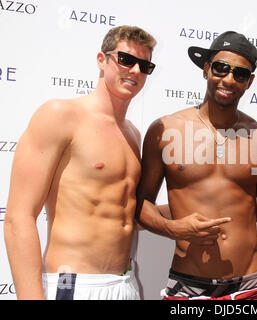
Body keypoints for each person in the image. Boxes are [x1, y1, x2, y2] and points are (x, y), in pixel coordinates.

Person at [4, 25, 157, 300]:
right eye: (126, 59)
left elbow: (124, 213)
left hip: (126, 285)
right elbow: (18, 217)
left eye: (145, 65)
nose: (135, 70)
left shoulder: (133, 134)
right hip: (74, 285)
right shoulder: (60, 115)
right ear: (102, 59)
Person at [135, 31, 257, 300]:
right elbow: (141, 203)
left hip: (249, 286)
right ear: (206, 70)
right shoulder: (165, 129)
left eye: (240, 74)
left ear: (249, 82)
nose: (228, 79)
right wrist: (172, 229)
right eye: (221, 68)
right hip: (187, 286)